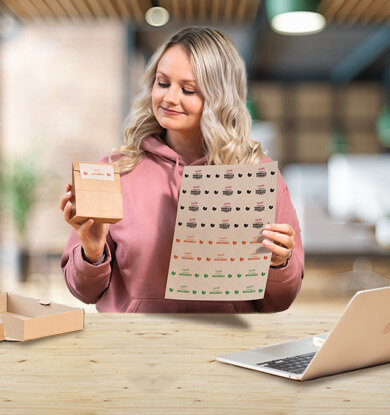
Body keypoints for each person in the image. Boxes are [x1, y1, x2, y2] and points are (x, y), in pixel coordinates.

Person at [60, 27, 303, 313]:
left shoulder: (257, 174)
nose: (169, 98)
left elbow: (280, 300)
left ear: (219, 98)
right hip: (135, 348)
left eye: (188, 89)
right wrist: (91, 253)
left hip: (227, 345)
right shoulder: (117, 168)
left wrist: (279, 263)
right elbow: (84, 292)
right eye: (162, 84)